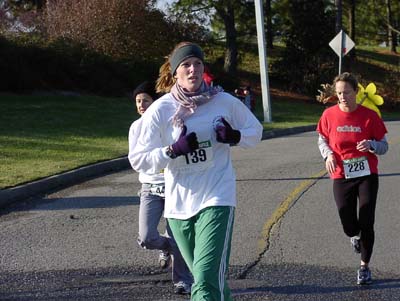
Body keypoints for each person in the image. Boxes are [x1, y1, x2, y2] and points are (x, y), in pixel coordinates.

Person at [130, 42, 263, 300]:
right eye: (186, 65)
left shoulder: (223, 101)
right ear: (174, 72)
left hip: (216, 196)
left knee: (202, 279)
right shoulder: (161, 109)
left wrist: (235, 136)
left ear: (204, 69)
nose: (193, 69)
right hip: (179, 204)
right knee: (210, 281)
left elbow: (255, 132)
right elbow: (139, 159)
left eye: (197, 64)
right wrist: (171, 151)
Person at [316, 72, 388, 285]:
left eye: (346, 92)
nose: (342, 97)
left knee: (367, 219)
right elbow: (322, 140)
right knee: (348, 222)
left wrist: (371, 145)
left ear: (356, 92)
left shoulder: (369, 116)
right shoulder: (329, 115)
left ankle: (364, 266)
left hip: (367, 174)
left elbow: (384, 146)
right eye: (339, 93)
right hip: (341, 174)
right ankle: (354, 235)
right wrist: (328, 154)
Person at [128, 81, 193, 295]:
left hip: (174, 185)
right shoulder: (136, 127)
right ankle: (167, 247)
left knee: (178, 238)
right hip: (150, 186)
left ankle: (182, 280)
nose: (141, 105)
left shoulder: (169, 122)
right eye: (138, 101)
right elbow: (136, 159)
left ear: (156, 102)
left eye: (145, 100)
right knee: (146, 237)